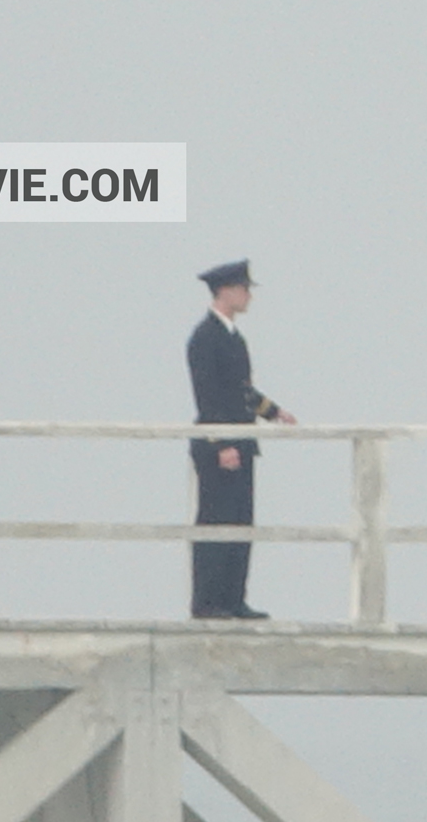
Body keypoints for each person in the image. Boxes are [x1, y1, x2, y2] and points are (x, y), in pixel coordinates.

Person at [188, 259, 296, 620]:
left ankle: (234, 598)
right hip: (221, 447)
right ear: (226, 291)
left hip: (243, 443)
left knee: (240, 523)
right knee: (216, 522)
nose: (248, 296)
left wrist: (273, 411)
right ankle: (208, 602)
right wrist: (222, 444)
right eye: (244, 288)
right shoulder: (205, 338)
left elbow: (242, 390)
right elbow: (208, 398)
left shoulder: (234, 337)